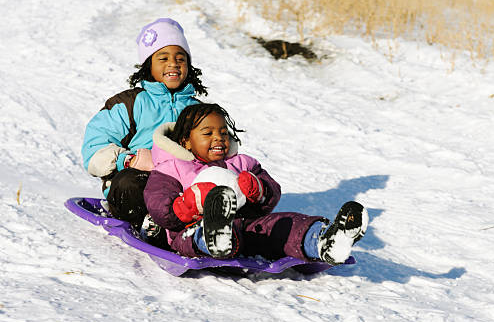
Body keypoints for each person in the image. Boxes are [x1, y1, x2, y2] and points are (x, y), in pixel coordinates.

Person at [143, 103, 368, 266]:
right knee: (195, 235)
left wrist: (259, 190)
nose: (219, 138)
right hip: (188, 231)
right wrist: (190, 204)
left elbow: (272, 193)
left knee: (284, 224)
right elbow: (160, 206)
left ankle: (324, 241)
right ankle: (215, 237)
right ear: (185, 141)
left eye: (223, 132)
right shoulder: (173, 167)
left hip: (247, 225)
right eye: (207, 133)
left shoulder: (241, 163)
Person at [81, 18, 207, 239]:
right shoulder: (130, 103)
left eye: (181, 58)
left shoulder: (198, 110)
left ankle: (210, 230)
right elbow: (94, 148)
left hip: (182, 185)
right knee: (129, 182)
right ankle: (150, 223)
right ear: (149, 64)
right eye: (163, 58)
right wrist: (129, 160)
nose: (173, 64)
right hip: (140, 180)